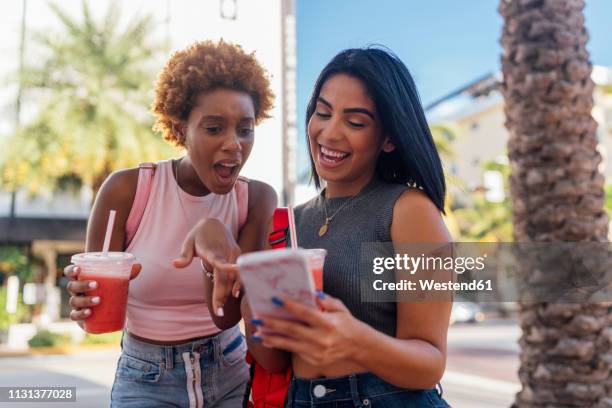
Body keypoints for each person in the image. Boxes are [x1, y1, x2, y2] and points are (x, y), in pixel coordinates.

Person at [63, 39, 277, 407]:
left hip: (228, 370)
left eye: (245, 129)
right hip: (145, 377)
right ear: (180, 131)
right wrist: (85, 301)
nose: (234, 145)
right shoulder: (128, 191)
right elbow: (94, 311)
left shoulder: (256, 199)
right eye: (214, 129)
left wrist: (215, 256)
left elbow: (228, 316)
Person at [244, 46, 453, 407]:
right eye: (322, 113)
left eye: (355, 122)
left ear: (389, 138)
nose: (330, 132)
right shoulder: (289, 223)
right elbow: (275, 360)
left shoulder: (409, 211)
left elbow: (430, 363)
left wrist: (356, 339)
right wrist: (248, 291)